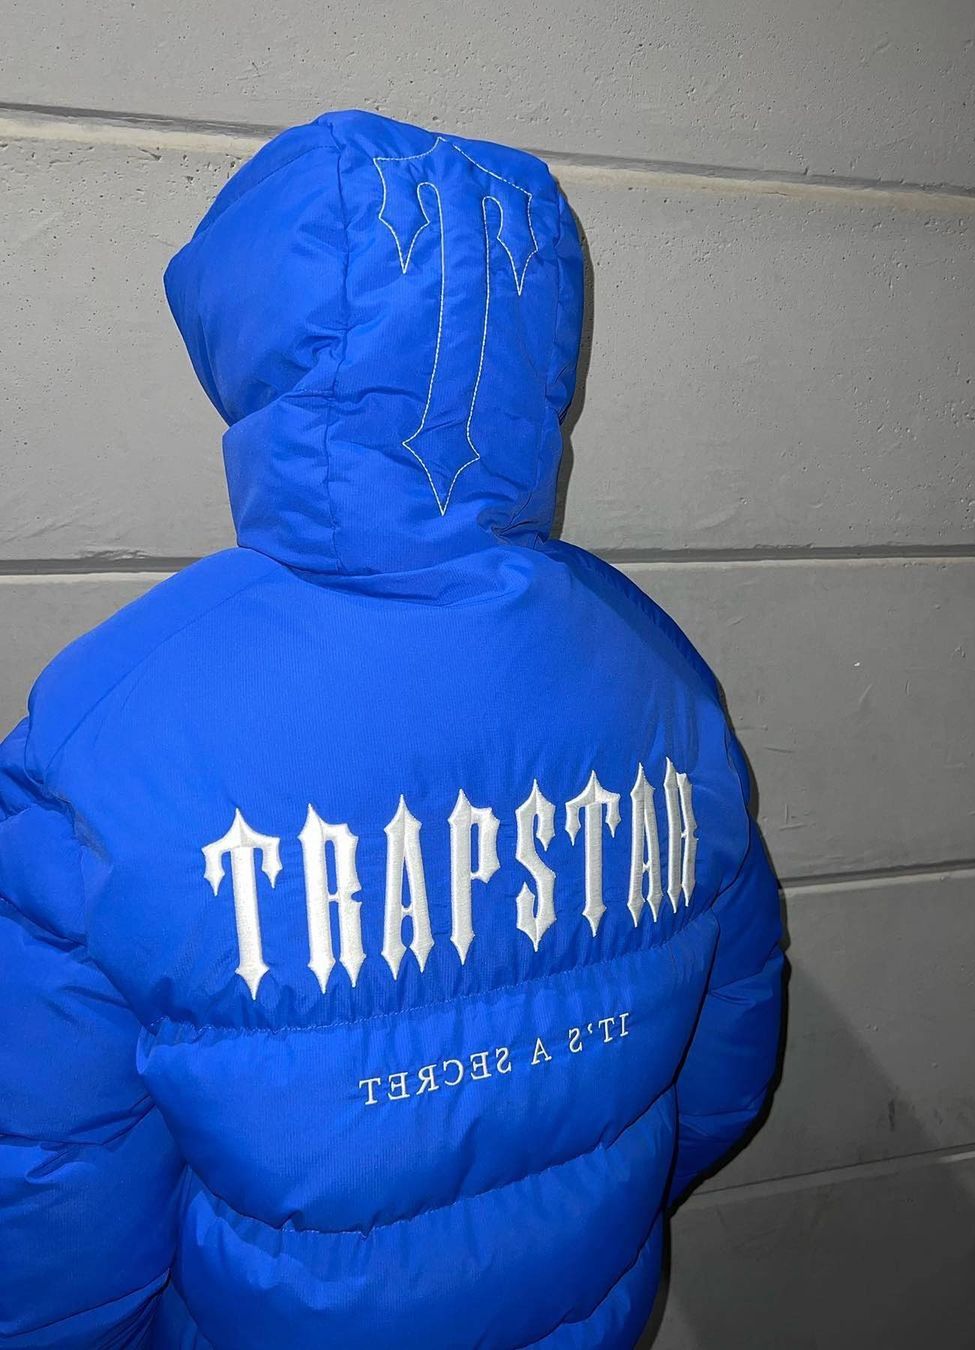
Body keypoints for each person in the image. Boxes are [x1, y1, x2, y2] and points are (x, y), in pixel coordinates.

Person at [0, 110, 783, 1348]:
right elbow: (728, 1063)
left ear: (250, 345)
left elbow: (50, 1204)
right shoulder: (656, 670)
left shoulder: (107, 736)